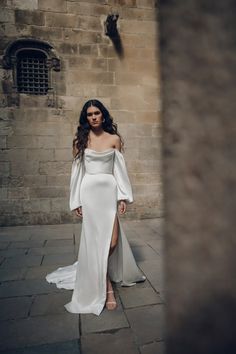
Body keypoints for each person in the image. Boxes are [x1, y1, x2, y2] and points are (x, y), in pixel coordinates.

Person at [46, 99, 145, 315]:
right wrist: (76, 201)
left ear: (103, 115)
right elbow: (77, 173)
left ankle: (96, 270)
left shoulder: (114, 139)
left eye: (97, 113)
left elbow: (119, 171)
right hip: (89, 194)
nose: (93, 117)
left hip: (109, 194)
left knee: (113, 241)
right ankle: (106, 284)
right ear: (85, 117)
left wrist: (122, 198)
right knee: (94, 240)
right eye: (89, 114)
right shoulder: (80, 141)